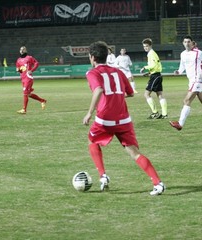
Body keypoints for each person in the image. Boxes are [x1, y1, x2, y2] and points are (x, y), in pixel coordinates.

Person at [83, 41, 165, 196]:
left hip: (105, 119)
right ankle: (158, 183)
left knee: (92, 141)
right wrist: (117, 95)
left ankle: (103, 176)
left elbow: (99, 89)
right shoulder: (118, 72)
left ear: (92, 57)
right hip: (124, 119)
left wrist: (89, 112)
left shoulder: (92, 73)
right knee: (134, 153)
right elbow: (131, 93)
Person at [170, 35, 202, 131]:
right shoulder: (183, 54)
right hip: (191, 80)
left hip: (198, 80)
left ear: (192, 43)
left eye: (189, 41)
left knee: (186, 101)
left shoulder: (198, 53)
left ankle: (180, 124)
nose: (187, 43)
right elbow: (182, 65)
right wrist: (178, 71)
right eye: (185, 42)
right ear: (183, 43)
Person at [140, 38, 168, 119]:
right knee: (160, 95)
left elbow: (153, 65)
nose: (145, 48)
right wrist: (149, 73)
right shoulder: (152, 53)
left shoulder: (151, 53)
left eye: (147, 46)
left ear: (150, 46)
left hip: (155, 76)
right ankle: (164, 114)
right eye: (144, 46)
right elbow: (157, 66)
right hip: (157, 75)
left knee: (146, 94)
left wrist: (144, 67)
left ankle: (155, 112)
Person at [16, 46, 47, 114]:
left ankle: (24, 109)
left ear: (26, 51)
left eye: (23, 49)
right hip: (23, 79)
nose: (22, 50)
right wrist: (19, 70)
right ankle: (42, 101)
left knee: (25, 94)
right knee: (28, 94)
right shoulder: (18, 60)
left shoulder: (29, 58)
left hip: (28, 78)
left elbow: (36, 63)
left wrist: (32, 70)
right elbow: (18, 69)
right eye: (21, 49)